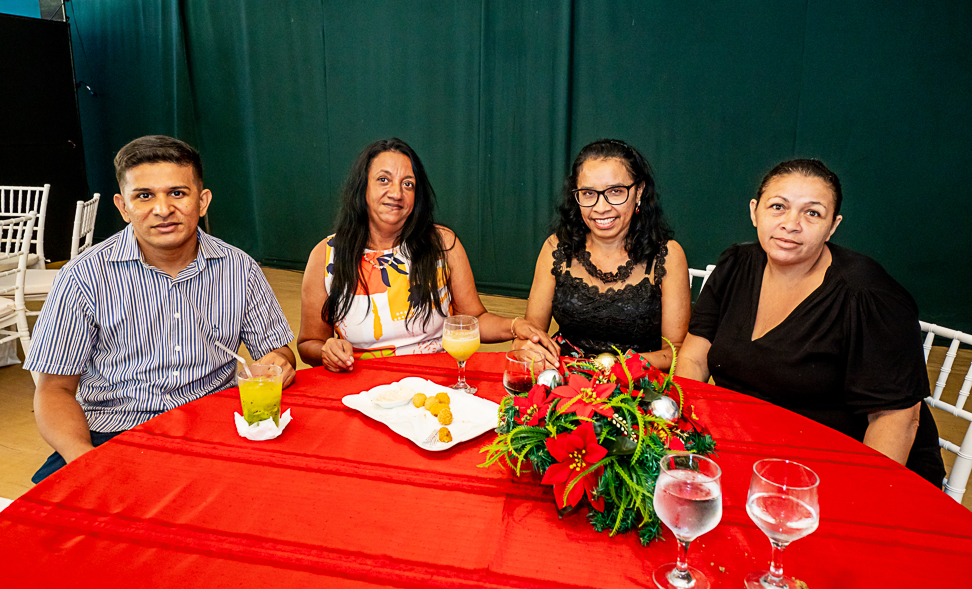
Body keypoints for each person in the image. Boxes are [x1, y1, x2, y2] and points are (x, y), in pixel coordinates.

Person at [27, 136, 296, 482]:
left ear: (202, 201)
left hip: (216, 427)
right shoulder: (83, 277)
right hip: (115, 432)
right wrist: (85, 458)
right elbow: (54, 390)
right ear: (123, 207)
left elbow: (279, 354)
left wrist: (279, 363)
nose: (163, 209)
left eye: (177, 193)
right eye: (144, 196)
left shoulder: (239, 268)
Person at [676, 158, 945, 486]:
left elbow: (897, 420)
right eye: (778, 207)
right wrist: (680, 433)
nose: (791, 224)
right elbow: (694, 358)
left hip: (846, 467)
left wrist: (862, 497)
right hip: (755, 451)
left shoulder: (869, 296)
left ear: (833, 226)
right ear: (754, 212)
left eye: (812, 213)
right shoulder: (735, 265)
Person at [297, 137, 559, 372]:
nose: (396, 193)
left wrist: (515, 326)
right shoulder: (326, 255)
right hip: (362, 386)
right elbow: (309, 343)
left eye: (408, 184)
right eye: (383, 180)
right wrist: (326, 351)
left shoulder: (442, 244)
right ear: (362, 187)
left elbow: (474, 320)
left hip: (436, 382)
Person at [512, 139, 690, 370]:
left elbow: (674, 352)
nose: (601, 207)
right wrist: (528, 346)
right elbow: (533, 333)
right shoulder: (556, 248)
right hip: (564, 375)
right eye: (588, 193)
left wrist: (612, 366)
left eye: (615, 192)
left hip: (637, 382)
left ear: (639, 191)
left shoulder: (667, 256)